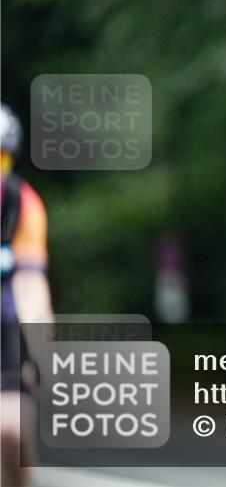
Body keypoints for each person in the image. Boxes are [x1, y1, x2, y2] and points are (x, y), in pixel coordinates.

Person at [0, 103, 55, 487]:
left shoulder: (22, 203)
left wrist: (41, 351)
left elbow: (31, 283)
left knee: (12, 434)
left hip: (5, 328)